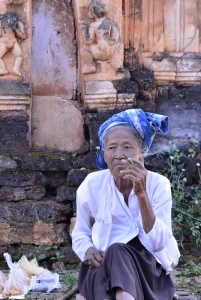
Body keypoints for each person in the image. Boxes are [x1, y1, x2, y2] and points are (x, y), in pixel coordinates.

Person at [72, 109, 180, 300]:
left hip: (146, 268)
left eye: (128, 147)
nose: (119, 155)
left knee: (117, 249)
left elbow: (158, 244)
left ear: (142, 152)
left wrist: (142, 194)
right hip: (103, 265)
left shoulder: (158, 184)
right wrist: (88, 250)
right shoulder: (92, 184)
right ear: (104, 153)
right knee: (101, 270)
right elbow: (80, 232)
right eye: (112, 148)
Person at [79, 0, 123, 74]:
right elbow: (115, 38)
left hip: (98, 53)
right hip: (110, 52)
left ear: (92, 12)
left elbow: (89, 41)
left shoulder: (93, 25)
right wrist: (108, 40)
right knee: (120, 44)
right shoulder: (111, 23)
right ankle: (116, 61)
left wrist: (83, 29)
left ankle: (90, 65)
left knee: (84, 48)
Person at [0, 12, 26, 77]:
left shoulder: (16, 21)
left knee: (20, 55)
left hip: (13, 42)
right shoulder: (1, 21)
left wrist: (15, 29)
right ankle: (2, 68)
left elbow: (23, 36)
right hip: (4, 42)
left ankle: (16, 69)